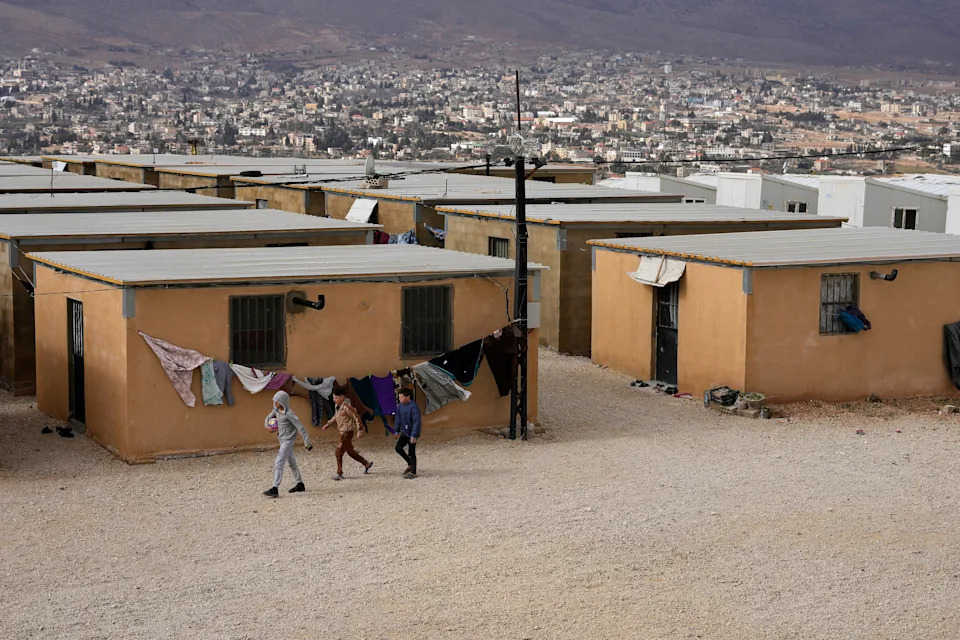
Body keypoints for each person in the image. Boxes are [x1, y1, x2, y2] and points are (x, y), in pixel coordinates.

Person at [263, 390, 312, 498]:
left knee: (279, 462)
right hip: (281, 439)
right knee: (292, 462)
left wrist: (307, 442)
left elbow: (300, 427)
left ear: (282, 402)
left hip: (288, 440)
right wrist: (267, 426)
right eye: (274, 401)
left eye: (277, 402)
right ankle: (300, 484)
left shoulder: (289, 414)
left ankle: (275, 488)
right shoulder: (276, 411)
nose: (275, 404)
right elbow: (267, 418)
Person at [322, 390, 374, 480]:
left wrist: (360, 429)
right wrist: (328, 423)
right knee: (351, 452)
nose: (334, 400)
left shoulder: (347, 407)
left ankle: (339, 473)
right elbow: (336, 416)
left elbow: (356, 417)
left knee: (338, 453)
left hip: (347, 433)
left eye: (336, 398)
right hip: (343, 432)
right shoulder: (337, 406)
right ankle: (366, 464)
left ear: (342, 398)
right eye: (334, 398)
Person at [394, 387, 421, 479]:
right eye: (399, 397)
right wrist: (396, 430)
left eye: (402, 397)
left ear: (408, 397)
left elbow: (417, 422)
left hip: (412, 433)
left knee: (412, 451)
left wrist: (414, 435)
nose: (400, 399)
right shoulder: (400, 406)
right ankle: (409, 463)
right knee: (398, 448)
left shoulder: (414, 407)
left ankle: (413, 472)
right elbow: (398, 418)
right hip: (404, 432)